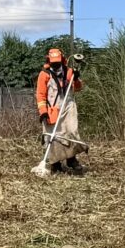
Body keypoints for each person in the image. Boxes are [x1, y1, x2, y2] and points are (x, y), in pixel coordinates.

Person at [33, 47, 86, 176]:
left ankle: (71, 159)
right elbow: (40, 95)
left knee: (71, 132)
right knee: (53, 136)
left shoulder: (69, 72)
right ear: (49, 61)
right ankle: (55, 164)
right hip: (52, 108)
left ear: (62, 60)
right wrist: (43, 112)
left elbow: (78, 88)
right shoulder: (44, 74)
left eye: (58, 63)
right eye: (54, 63)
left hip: (68, 106)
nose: (56, 65)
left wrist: (76, 79)